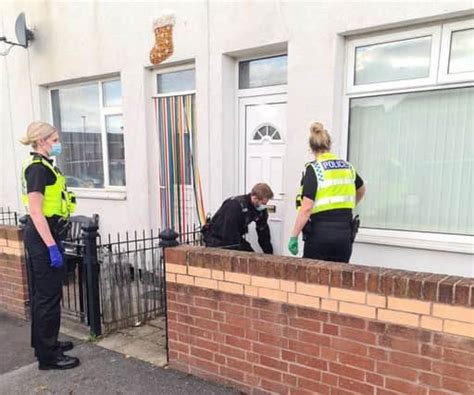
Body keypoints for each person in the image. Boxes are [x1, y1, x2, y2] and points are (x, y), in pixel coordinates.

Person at [20, 121, 80, 370]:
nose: (57, 144)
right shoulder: (38, 169)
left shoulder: (44, 166)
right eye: (54, 140)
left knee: (46, 294)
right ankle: (48, 357)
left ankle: (47, 344)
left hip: (47, 234)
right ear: (42, 141)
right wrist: (52, 247)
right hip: (43, 236)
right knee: (47, 296)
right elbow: (36, 212)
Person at [288, 122, 366, 262]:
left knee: (312, 278)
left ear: (311, 148)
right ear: (329, 144)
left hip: (320, 233)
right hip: (344, 233)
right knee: (339, 277)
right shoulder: (347, 167)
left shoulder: (314, 169)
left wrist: (294, 236)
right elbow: (361, 189)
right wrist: (350, 204)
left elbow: (306, 208)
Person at [202, 183, 274, 253]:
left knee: (251, 257)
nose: (264, 206)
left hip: (235, 237)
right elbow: (228, 233)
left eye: (266, 203)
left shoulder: (260, 209)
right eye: (263, 203)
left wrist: (269, 254)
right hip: (218, 238)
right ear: (254, 198)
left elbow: (263, 232)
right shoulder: (234, 206)